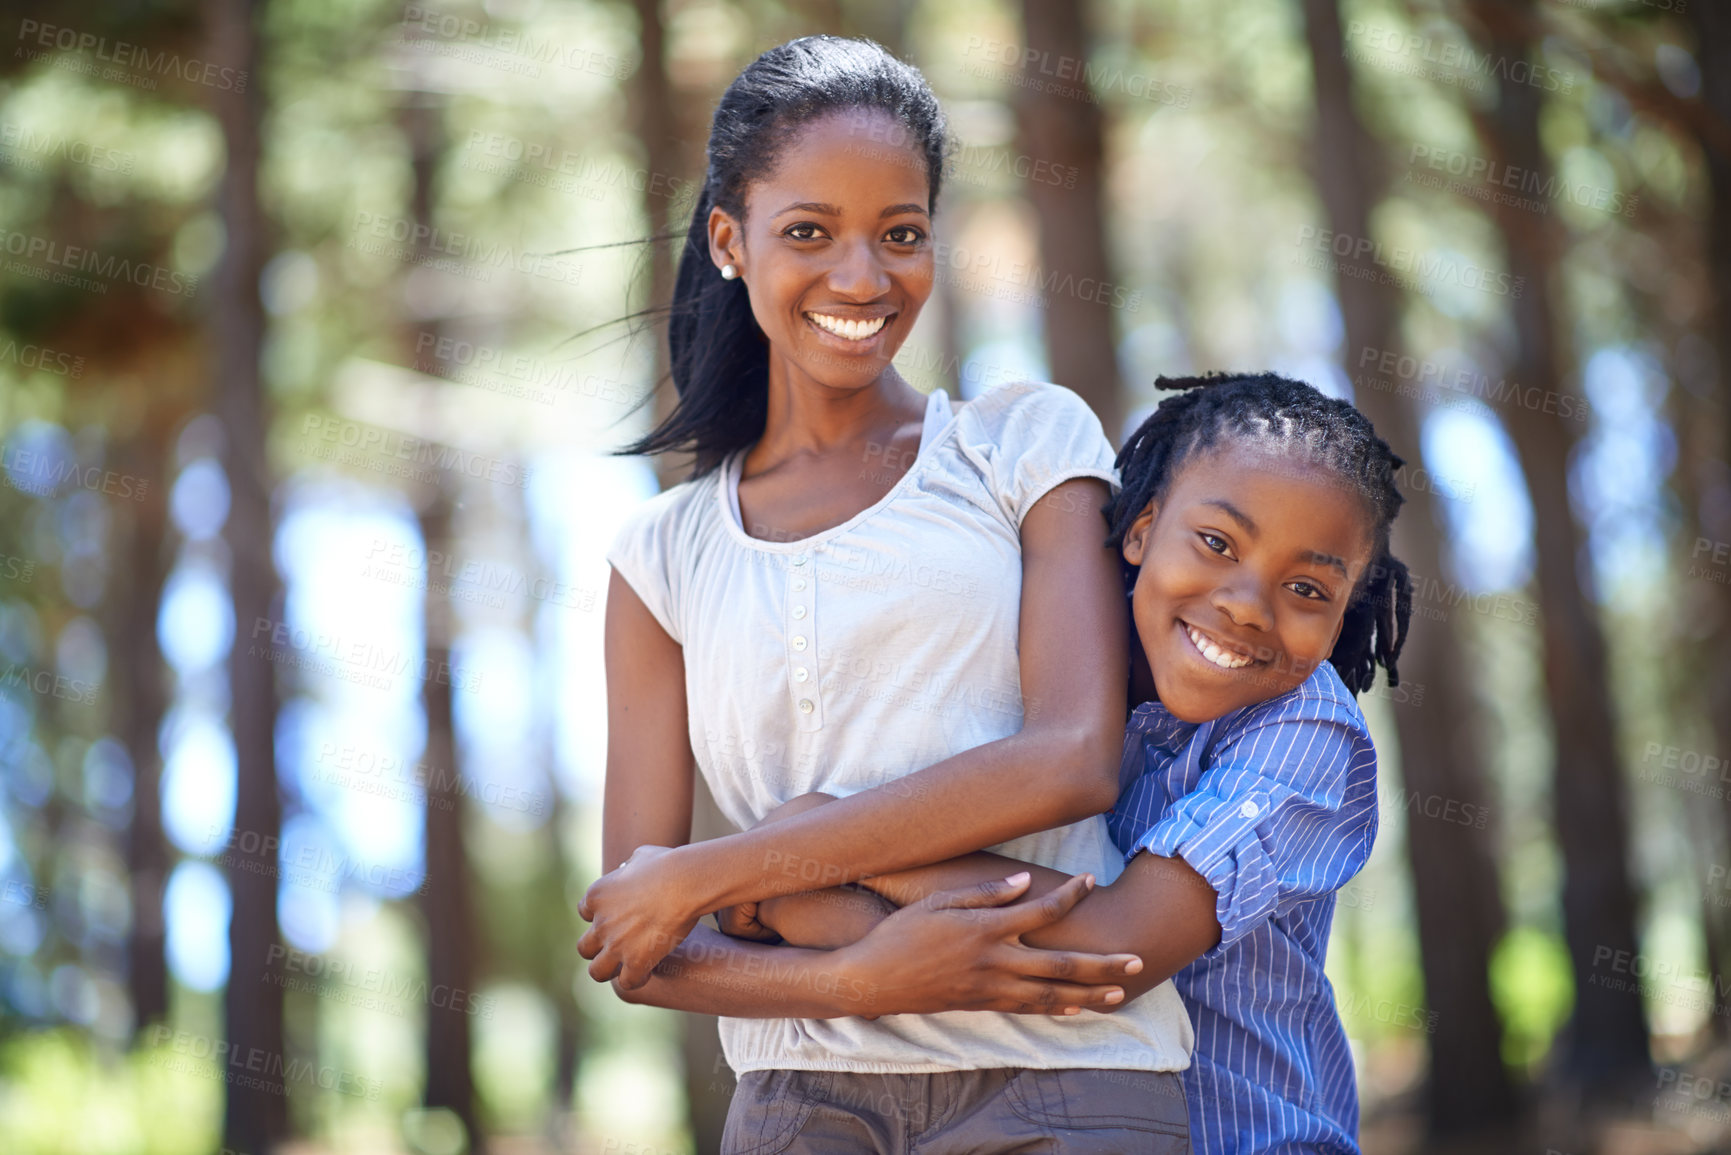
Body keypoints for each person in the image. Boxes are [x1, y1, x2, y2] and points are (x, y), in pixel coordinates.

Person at [581, 34, 1199, 1151]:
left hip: (1065, 1078)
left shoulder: (1024, 444)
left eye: (901, 235)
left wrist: (739, 866)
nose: (863, 280)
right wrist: (863, 976)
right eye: (809, 232)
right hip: (800, 1104)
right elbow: (641, 943)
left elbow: (1071, 757)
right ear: (730, 240)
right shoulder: (659, 559)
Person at [738, 373, 1414, 1154]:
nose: (1246, 604)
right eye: (1217, 543)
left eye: (1305, 587)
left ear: (1342, 613)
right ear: (1141, 530)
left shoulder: (1304, 731)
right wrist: (815, 890)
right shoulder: (1057, 671)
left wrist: (815, 853)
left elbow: (1114, 946)